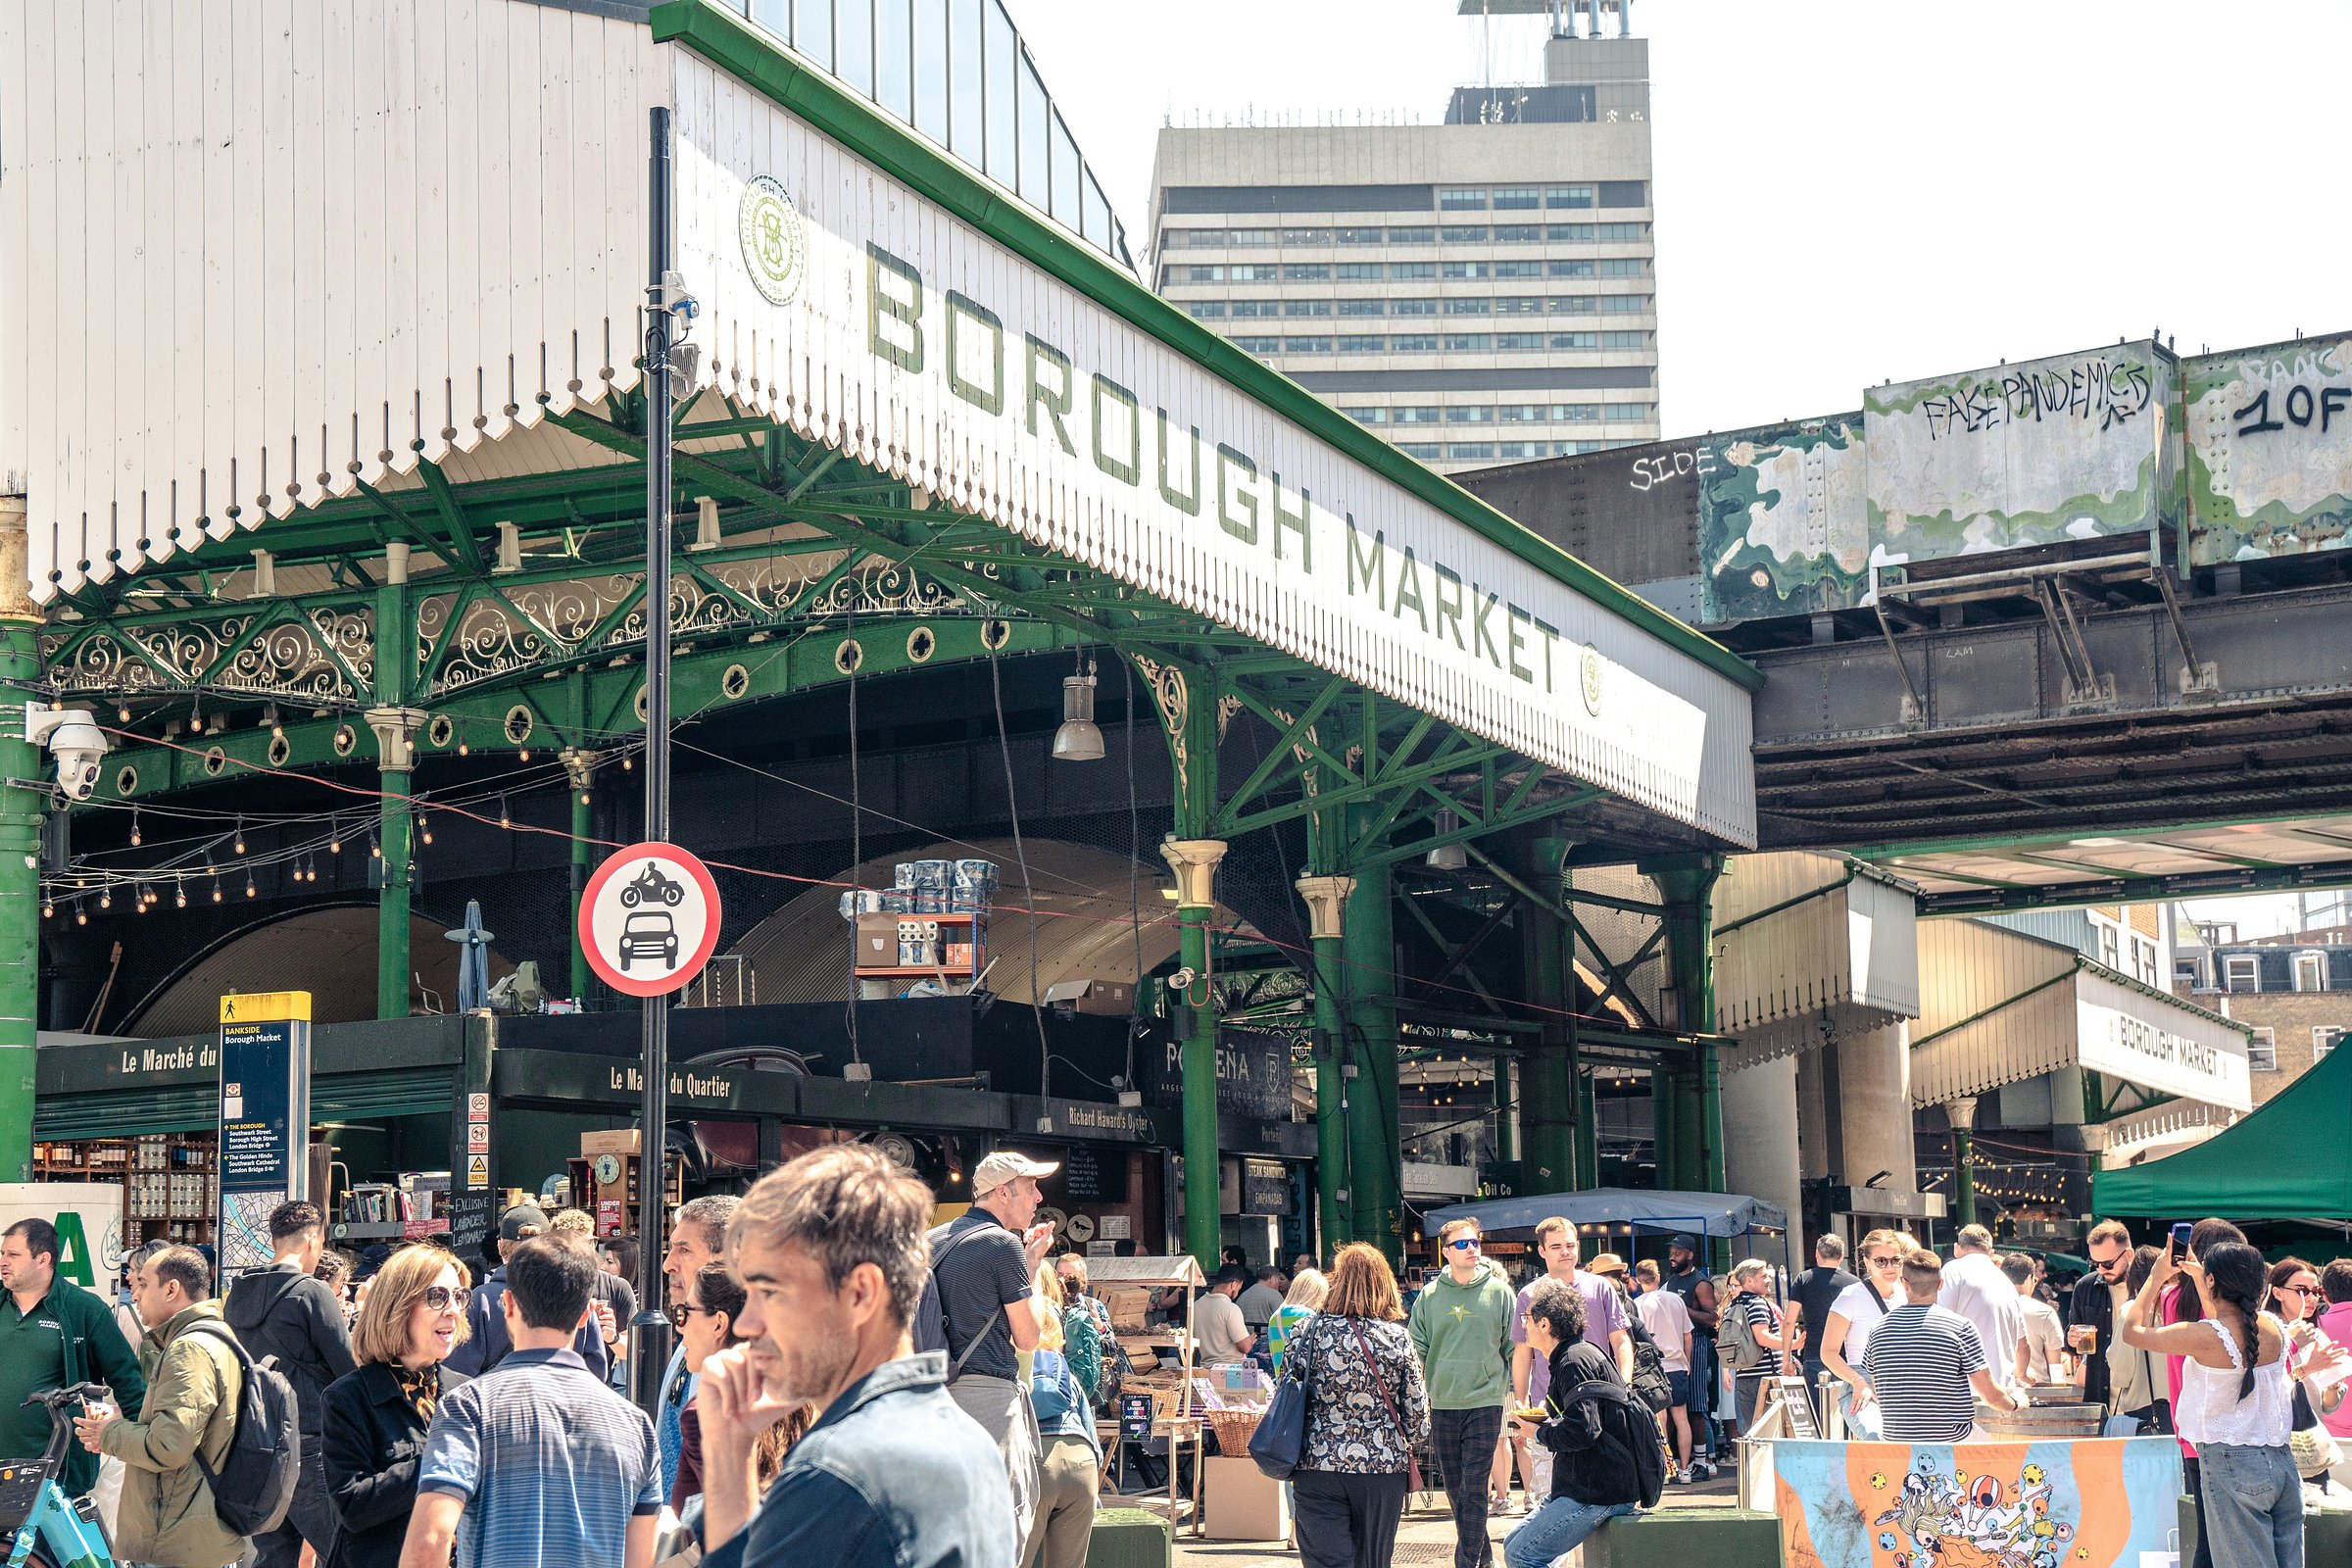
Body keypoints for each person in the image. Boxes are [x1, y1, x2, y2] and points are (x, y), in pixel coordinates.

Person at [694, 1146, 1013, 1568]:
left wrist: (726, 1457)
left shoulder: (835, 1472)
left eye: (769, 1292)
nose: (745, 1325)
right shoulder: (970, 1442)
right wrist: (733, 1451)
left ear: (861, 1293)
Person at [399, 1237, 661, 1568]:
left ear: (507, 1304)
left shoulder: (469, 1406)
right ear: (585, 1316)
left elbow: (430, 1541)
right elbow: (641, 1560)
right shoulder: (636, 1426)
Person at [2122, 1241, 2303, 1568]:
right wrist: (2200, 1278)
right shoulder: (2273, 1326)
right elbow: (2224, 1320)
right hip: (2281, 1459)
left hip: (2231, 1461)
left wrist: (2155, 1277)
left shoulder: (2207, 1336)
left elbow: (2132, 1332)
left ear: (2212, 1281)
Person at [76, 1245, 248, 1568]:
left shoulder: (190, 1348)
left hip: (179, 1530)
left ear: (171, 1289)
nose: (135, 1295)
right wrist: (125, 1418)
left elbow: (170, 1445)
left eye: (142, 1284)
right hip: (193, 1522)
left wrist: (109, 1433)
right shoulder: (214, 1334)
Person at [926, 1150, 1057, 1551]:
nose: (1037, 1198)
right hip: (987, 1402)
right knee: (1002, 1520)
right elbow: (1028, 1337)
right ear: (1003, 1193)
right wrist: (1030, 1269)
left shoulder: (931, 1240)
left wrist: (1030, 1261)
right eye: (1030, 1187)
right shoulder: (1002, 1245)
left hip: (931, 1398)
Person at [224, 1199, 360, 1568]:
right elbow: (348, 1370)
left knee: (274, 1555)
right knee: (344, 1550)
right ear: (314, 1241)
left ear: (274, 1240)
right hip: (309, 1442)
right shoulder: (312, 1293)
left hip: (257, 1444)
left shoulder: (238, 1293)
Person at [320, 1244, 471, 1568]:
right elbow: (352, 1506)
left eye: (458, 1297)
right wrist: (437, 1459)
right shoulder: (348, 1398)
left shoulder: (465, 1390)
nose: (453, 1310)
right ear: (398, 1307)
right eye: (437, 1297)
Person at [1289, 1244, 1430, 1568]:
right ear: (1385, 1285)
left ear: (1335, 1282)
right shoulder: (1397, 1338)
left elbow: (1290, 1394)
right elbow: (1418, 1417)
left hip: (1317, 1463)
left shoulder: (1306, 1332)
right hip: (1381, 1468)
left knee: (1326, 1562)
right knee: (1373, 1561)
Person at [0, 1216, 146, 1500]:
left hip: (56, 1475)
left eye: (13, 1255)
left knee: (43, 1547)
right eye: (2, 1254)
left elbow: (129, 1384)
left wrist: (140, 1446)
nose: (4, 1261)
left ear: (43, 1259)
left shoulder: (84, 1309)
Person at [1502, 1277, 1643, 1567]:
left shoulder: (1574, 1362)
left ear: (1545, 1325)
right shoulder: (1571, 1357)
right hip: (1584, 1485)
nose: (1523, 1324)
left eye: (1527, 1318)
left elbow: (1583, 1430)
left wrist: (1538, 1433)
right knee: (1512, 1544)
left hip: (1598, 1491)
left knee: (1521, 1555)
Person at [1503, 1218, 1631, 1513]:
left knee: (1597, 1484)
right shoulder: (1528, 1295)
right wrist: (1521, 1402)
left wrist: (1625, 1384)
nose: (1566, 1252)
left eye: (1570, 1245)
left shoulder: (1600, 1287)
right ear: (1542, 1251)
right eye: (1557, 1246)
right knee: (1549, 1489)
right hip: (1547, 1406)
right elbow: (1522, 1354)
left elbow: (1621, 1340)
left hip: (1601, 1401)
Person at [1410, 1216, 1516, 1568]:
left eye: (1475, 1242)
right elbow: (1416, 1351)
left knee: (1474, 1488)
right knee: (1456, 1491)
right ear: (1446, 1252)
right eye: (1462, 1243)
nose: (1472, 1249)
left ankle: (1466, 1562)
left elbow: (1514, 1347)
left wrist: (1521, 1396)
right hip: (1441, 1403)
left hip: (1486, 1401)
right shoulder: (1429, 1296)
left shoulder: (1500, 1292)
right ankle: (1484, 1558)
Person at [1862, 1248, 2018, 1443]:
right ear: (1940, 1284)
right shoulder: (1961, 1327)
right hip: (1952, 1438)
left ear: (1904, 1283)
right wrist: (2015, 1404)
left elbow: (1879, 1387)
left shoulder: (1877, 1329)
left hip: (1896, 1439)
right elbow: (1990, 1396)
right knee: (1998, 1460)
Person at [444, 1203, 611, 1380]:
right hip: (572, 1399)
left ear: (500, 1246)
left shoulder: (481, 1299)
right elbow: (597, 1370)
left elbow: (458, 1372)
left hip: (496, 1401)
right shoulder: (574, 1294)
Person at [657, 1195, 742, 1496]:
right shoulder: (688, 1344)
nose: (668, 1264)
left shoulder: (744, 1367)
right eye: (670, 1249)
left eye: (684, 1250)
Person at [1025, 1267, 1100, 1568]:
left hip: (1036, 1464)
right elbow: (1089, 1427)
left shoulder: (1014, 1371)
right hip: (1082, 1465)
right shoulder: (1065, 1372)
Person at [1823, 1229, 1905, 1434]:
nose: (1889, 1266)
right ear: (1867, 1262)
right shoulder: (1851, 1296)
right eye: (1881, 1261)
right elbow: (1828, 1352)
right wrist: (1857, 1381)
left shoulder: (1906, 1294)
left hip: (1903, 1384)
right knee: (1876, 1437)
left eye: (1895, 1260)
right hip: (1861, 1382)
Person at [549, 1208, 636, 1390]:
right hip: (551, 1386)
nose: (587, 1249)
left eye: (590, 1242)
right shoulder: (541, 1286)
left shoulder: (616, 1287)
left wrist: (612, 1337)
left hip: (599, 1390)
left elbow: (632, 1351)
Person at [1938, 1224, 2026, 1394]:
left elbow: (1940, 1324)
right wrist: (2022, 1374)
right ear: (1991, 1253)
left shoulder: (1952, 1271)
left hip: (1965, 1391)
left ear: (1957, 1249)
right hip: (2004, 1391)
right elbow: (2022, 1345)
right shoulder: (2006, 1282)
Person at [1662, 1235, 1722, 1478]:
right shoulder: (1673, 1279)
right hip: (1678, 1343)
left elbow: (1713, 1317)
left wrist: (1682, 1308)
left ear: (1690, 1254)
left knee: (1696, 1405)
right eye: (1672, 1252)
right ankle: (1692, 1461)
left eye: (1678, 1252)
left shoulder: (1700, 1283)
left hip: (1697, 1343)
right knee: (1681, 1407)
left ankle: (1703, 1462)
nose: (1672, 1256)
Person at [1631, 1261, 1694, 1480]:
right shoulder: (1676, 1300)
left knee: (1659, 1418)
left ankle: (1666, 1469)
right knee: (1681, 1418)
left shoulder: (1637, 1304)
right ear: (1658, 1276)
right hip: (1677, 1365)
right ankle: (1685, 1469)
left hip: (1652, 1370)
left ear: (1638, 1279)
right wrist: (1688, 1362)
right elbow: (1688, 1335)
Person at [2068, 1220, 2136, 1415]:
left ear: (2129, 1255)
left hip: (2141, 1402)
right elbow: (2071, 1338)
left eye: (2107, 1264)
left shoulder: (2148, 1287)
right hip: (2100, 1401)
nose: (2100, 1270)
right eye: (2094, 1263)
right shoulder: (2085, 1287)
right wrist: (2071, 1339)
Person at [1721, 1259, 1792, 1436]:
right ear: (1750, 1281)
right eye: (1764, 1276)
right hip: (1767, 1378)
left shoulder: (1732, 1305)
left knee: (1751, 1433)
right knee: (1773, 1432)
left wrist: (1726, 1369)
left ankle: (1754, 1464)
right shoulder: (1757, 1303)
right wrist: (1792, 1344)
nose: (1768, 1280)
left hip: (1744, 1377)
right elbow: (1762, 1337)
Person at [1788, 1235, 1857, 1408]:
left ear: (1817, 1253)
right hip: (1846, 1358)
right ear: (1841, 1256)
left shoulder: (1804, 1279)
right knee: (1846, 1415)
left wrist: (1785, 1358)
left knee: (1819, 1414)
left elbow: (1789, 1321)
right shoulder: (1855, 1283)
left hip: (1814, 1354)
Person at [2003, 1252, 2066, 1385]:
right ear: (2029, 1278)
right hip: (2037, 1389)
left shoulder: (1991, 1309)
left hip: (2001, 1389)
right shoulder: (2044, 1312)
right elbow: (2055, 1365)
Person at [1268, 1269, 1329, 1376]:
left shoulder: (1275, 1316)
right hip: (1303, 1386)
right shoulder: (1309, 1316)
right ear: (1316, 1295)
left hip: (1283, 1385)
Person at [1197, 1264, 1258, 1363]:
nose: (1237, 1293)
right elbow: (1245, 1347)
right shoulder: (1230, 1309)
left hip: (1205, 1369)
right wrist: (1250, 1340)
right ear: (1233, 1284)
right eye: (1238, 1288)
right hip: (1230, 1371)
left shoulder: (1196, 1305)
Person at [1238, 1265, 1287, 1333]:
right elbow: (1284, 1318)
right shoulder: (1274, 1294)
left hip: (1246, 1339)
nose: (1279, 1285)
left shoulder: (1243, 1296)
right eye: (1278, 1280)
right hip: (1268, 1339)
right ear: (1273, 1279)